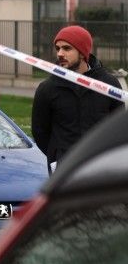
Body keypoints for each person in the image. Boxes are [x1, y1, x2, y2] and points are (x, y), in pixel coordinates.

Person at [32, 25, 122, 170]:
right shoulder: (47, 88)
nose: (60, 54)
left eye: (67, 48)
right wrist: (56, 155)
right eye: (58, 48)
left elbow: (118, 126)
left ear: (82, 52)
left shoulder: (108, 84)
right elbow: (40, 131)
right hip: (63, 170)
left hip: (101, 166)